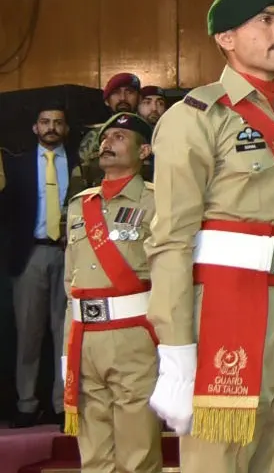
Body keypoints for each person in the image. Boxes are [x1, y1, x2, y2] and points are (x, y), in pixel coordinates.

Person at [146, 0, 274, 472]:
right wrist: (177, 352)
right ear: (226, 38)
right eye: (266, 21)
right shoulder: (198, 117)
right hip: (227, 314)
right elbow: (170, 242)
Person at [62, 112, 161, 472]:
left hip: (134, 335)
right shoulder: (79, 205)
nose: (107, 143)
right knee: (93, 455)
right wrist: (66, 349)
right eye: (106, 137)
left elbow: (171, 274)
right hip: (85, 338)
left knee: (138, 452)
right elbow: (68, 285)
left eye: (120, 137)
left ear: (144, 150)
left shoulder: (156, 201)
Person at [4, 105, 83, 428]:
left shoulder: (83, 165)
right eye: (45, 122)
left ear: (66, 129)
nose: (51, 128)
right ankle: (26, 403)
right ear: (35, 128)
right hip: (31, 254)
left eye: (58, 123)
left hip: (71, 255)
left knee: (65, 335)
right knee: (28, 334)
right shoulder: (16, 165)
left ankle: (63, 404)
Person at [80, 73, 142, 188]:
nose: (123, 98)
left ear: (139, 98)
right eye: (116, 92)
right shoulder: (93, 137)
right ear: (107, 101)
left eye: (129, 92)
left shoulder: (150, 134)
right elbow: (80, 178)